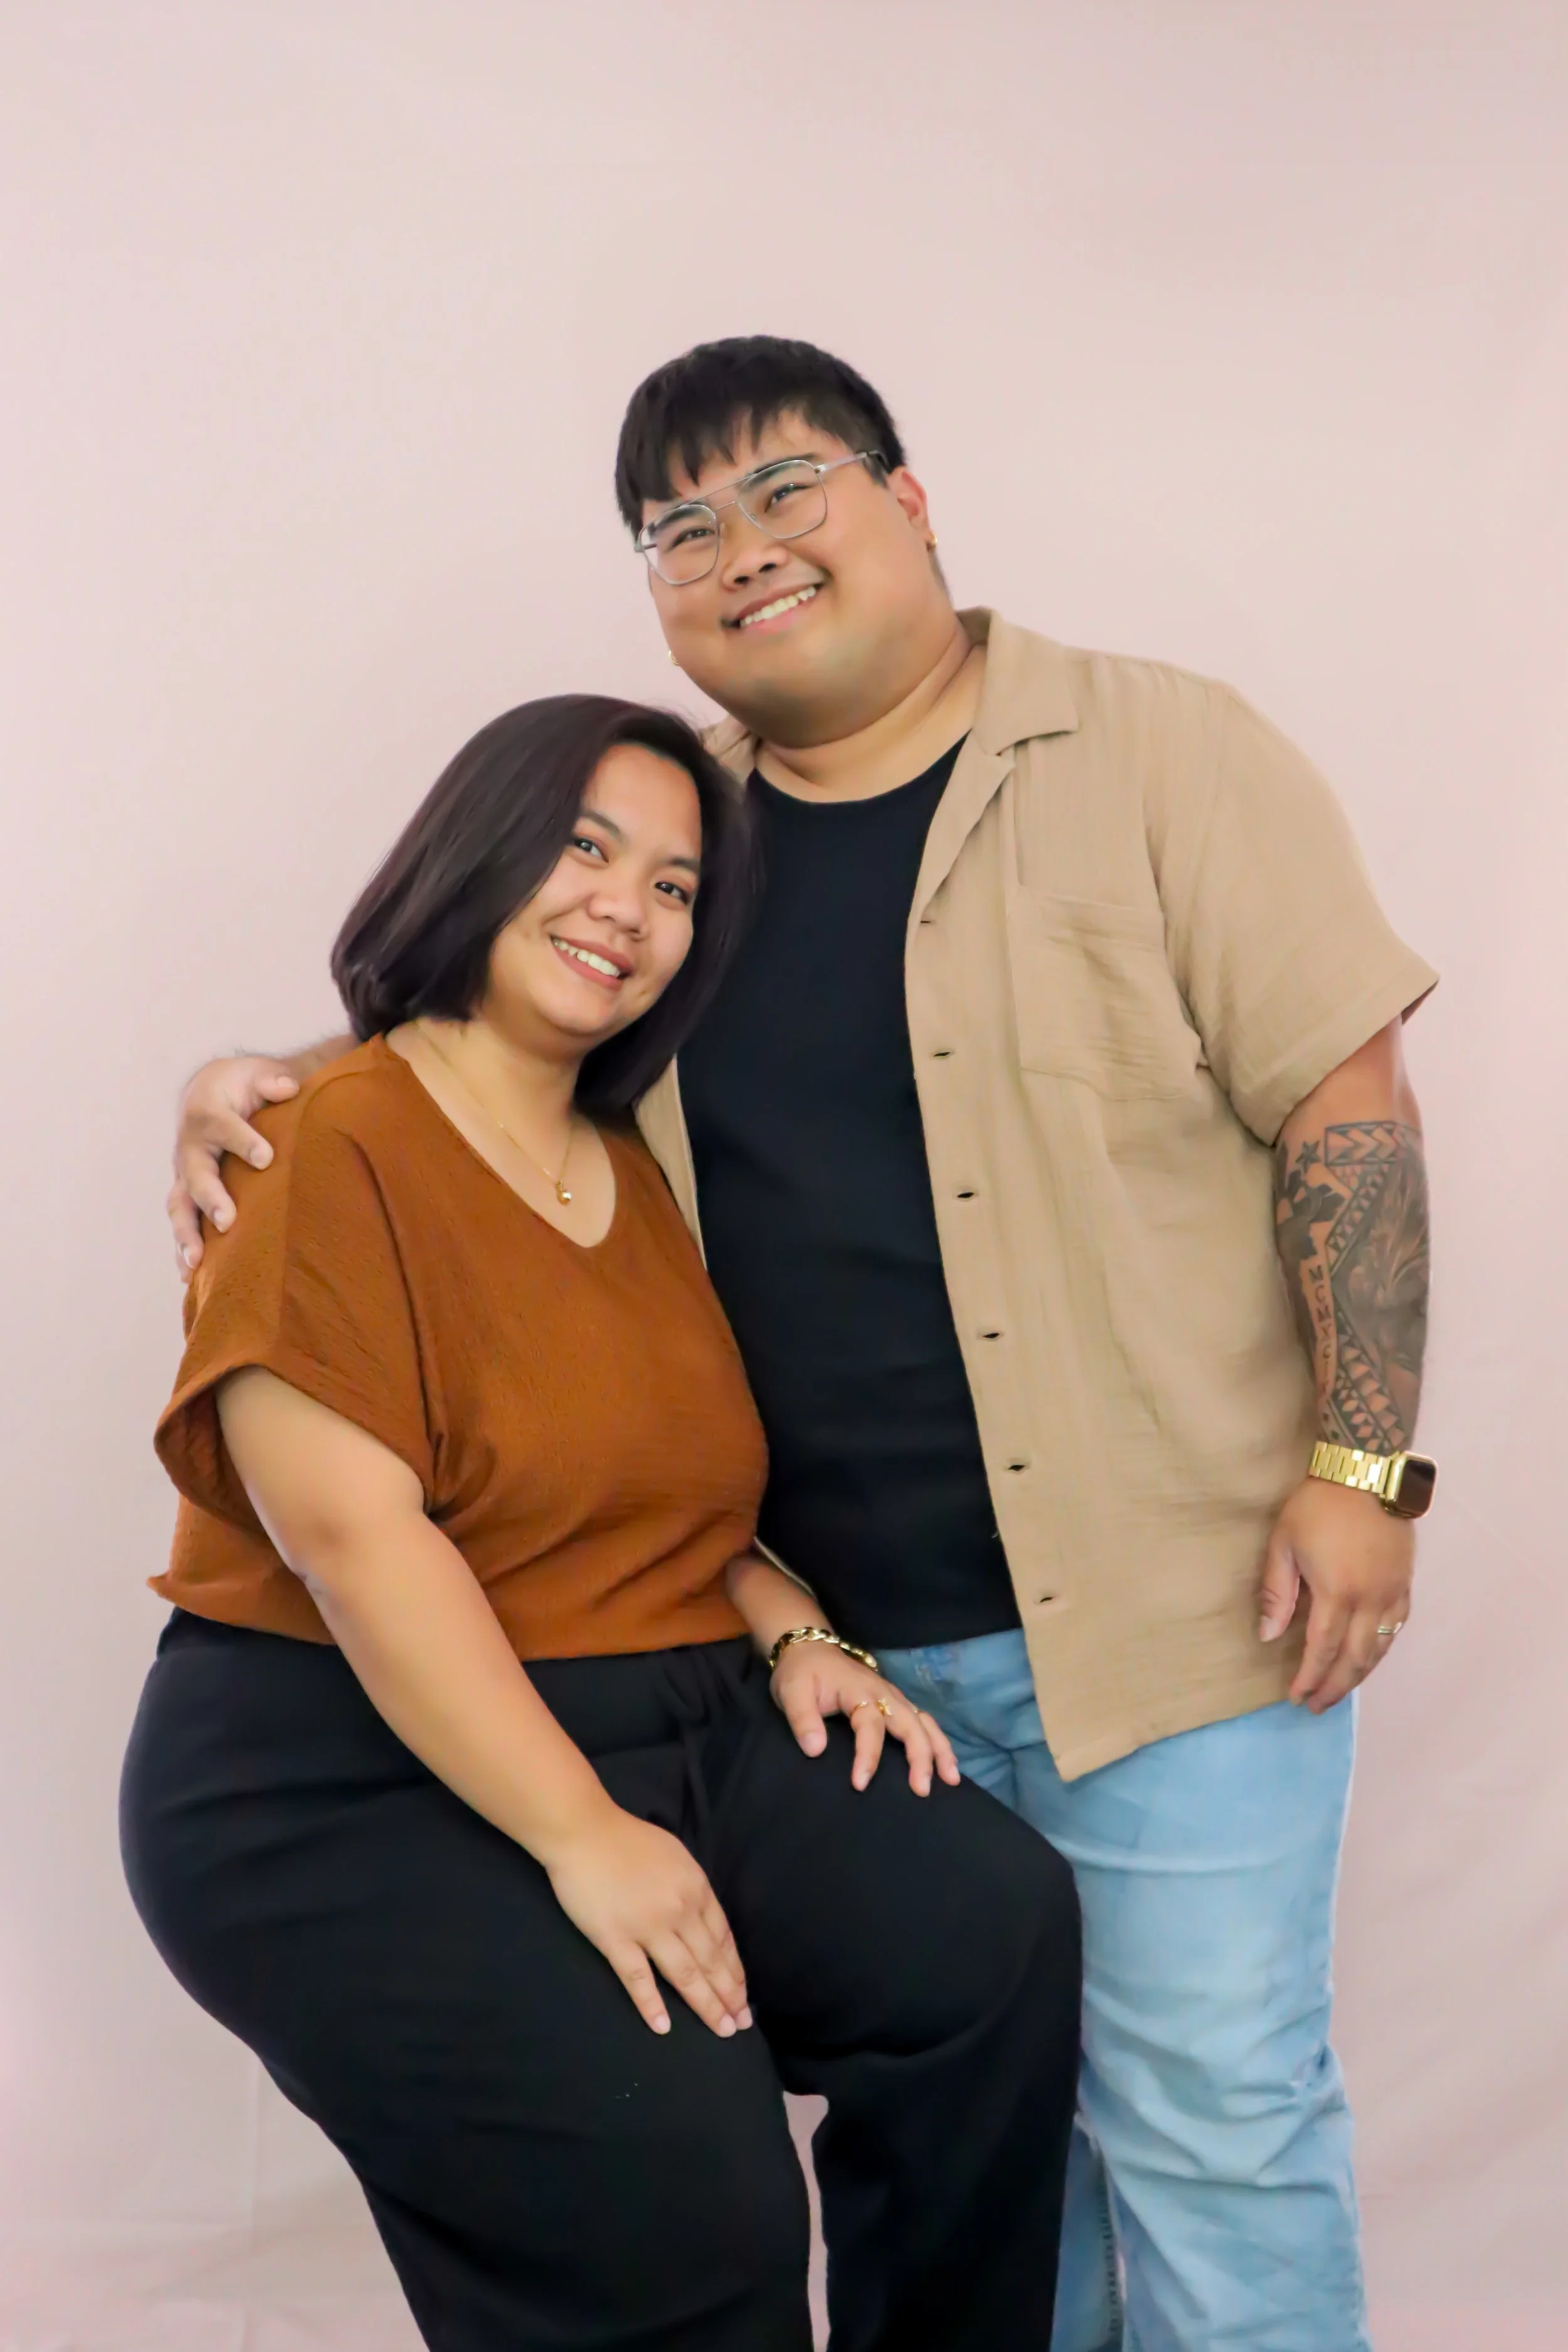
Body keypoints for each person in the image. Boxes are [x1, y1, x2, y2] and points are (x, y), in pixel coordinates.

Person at [167, 339, 1439, 2352]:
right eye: (680, 526)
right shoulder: (691, 846)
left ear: (909, 499)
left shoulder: (1158, 752)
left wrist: (1364, 1468)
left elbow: (1344, 1108)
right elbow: (512, 1041)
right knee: (982, 2113)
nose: (738, 549)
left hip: (1173, 1611)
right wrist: (274, 1075)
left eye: (788, 489)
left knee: (1206, 2119)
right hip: (818, 1651)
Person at [123, 691, 1083, 2352]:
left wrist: (799, 1633)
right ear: (473, 851)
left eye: (673, 884)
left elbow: (668, 1490)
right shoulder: (310, 1141)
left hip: (671, 1701)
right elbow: (359, 1544)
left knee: (978, 1934)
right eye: (583, 847)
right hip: (343, 1766)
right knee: (687, 2182)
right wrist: (583, 1837)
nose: (623, 909)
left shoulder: (628, 1167)